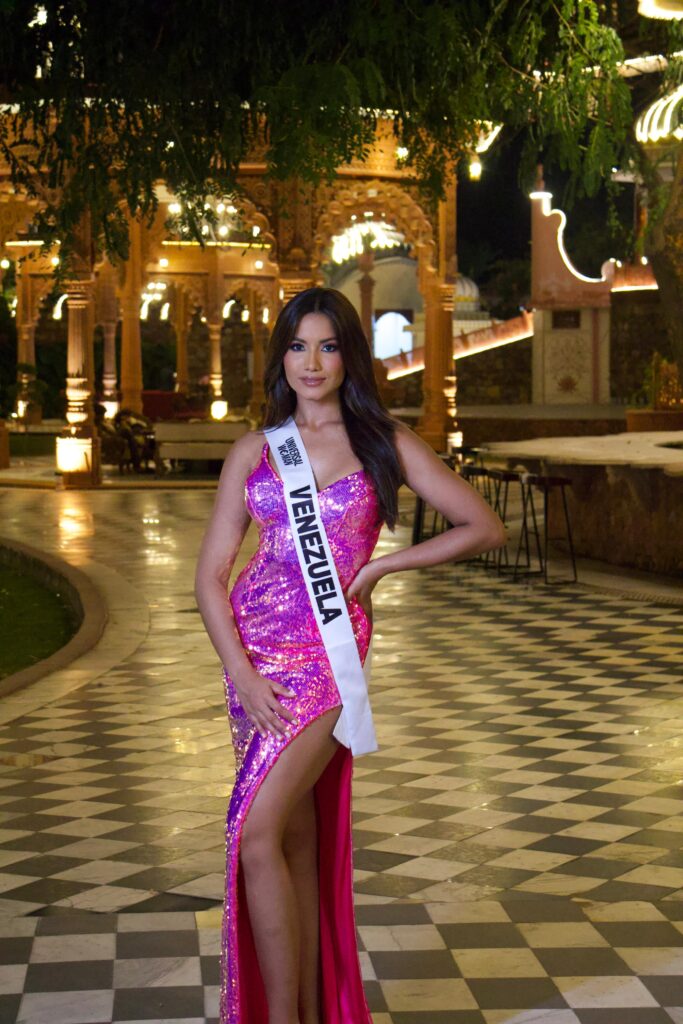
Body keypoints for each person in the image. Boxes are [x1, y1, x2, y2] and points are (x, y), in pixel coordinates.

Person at [194, 287, 506, 1024]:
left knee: (255, 834)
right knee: (293, 840)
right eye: (298, 346)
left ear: (348, 357)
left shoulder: (382, 441)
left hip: (326, 655)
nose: (312, 362)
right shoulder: (256, 450)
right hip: (254, 658)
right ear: (281, 356)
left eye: (327, 346)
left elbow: (482, 526)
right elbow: (209, 577)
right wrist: (241, 673)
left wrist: (382, 567)